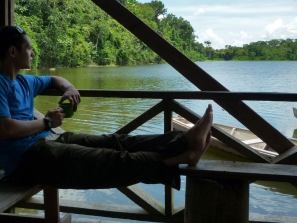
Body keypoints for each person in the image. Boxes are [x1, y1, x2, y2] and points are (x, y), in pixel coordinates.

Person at [0, 25, 213, 190]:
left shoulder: (23, 82)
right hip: (25, 161)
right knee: (110, 161)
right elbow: (6, 129)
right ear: (12, 51)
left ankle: (184, 141)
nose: (33, 54)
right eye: (28, 49)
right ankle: (179, 158)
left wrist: (70, 87)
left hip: (44, 141)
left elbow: (55, 78)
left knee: (115, 142)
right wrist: (46, 122)